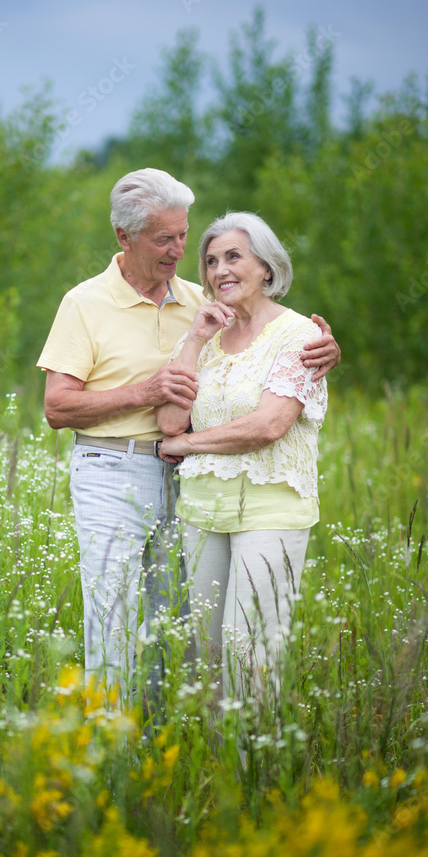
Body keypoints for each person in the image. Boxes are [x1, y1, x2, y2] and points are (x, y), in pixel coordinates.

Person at [37, 170, 339, 688]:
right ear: (124, 237)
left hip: (186, 477)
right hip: (111, 466)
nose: (180, 251)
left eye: (183, 235)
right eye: (164, 239)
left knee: (171, 623)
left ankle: (152, 753)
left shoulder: (203, 299)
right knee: (111, 617)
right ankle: (107, 752)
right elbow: (57, 408)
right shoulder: (83, 303)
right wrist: (145, 393)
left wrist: (326, 349)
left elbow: (265, 331)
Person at [156, 212, 327, 696]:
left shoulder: (299, 337)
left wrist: (187, 445)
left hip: (271, 507)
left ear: (267, 269)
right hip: (204, 509)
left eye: (233, 256)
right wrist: (193, 339)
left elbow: (269, 425)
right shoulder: (208, 338)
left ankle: (258, 769)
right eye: (211, 261)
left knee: (247, 654)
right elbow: (169, 420)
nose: (218, 270)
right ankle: (217, 770)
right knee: (207, 657)